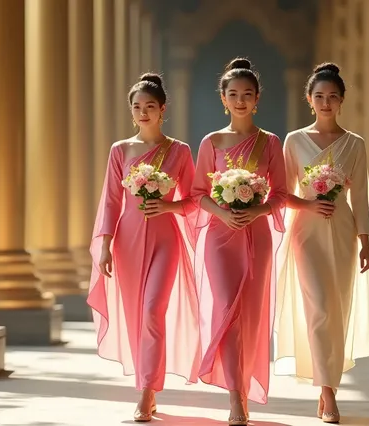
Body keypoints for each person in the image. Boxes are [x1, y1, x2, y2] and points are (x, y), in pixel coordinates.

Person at [274, 63, 369, 423]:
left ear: (341, 101)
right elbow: (281, 194)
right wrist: (309, 203)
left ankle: (329, 388)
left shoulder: (355, 144)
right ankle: (328, 393)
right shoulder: (294, 141)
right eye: (319, 97)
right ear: (310, 100)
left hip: (341, 233)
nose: (326, 102)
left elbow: (362, 199)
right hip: (305, 233)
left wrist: (365, 242)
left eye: (332, 97)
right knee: (319, 309)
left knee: (336, 312)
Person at [87, 73, 200, 422]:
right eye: (137, 107)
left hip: (166, 238)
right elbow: (109, 201)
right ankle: (146, 387)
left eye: (150, 106)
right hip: (128, 241)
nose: (143, 113)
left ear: (163, 109)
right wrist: (104, 245)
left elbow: (195, 199)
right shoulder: (120, 150)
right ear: (131, 111)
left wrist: (169, 206)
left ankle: (148, 391)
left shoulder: (179, 150)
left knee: (153, 311)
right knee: (138, 315)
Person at [190, 57, 287, 426]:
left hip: (256, 236)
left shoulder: (270, 143)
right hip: (219, 237)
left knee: (249, 317)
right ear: (223, 99)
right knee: (227, 314)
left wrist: (258, 212)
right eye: (234, 94)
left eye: (247, 94)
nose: (241, 100)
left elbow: (279, 194)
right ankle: (235, 399)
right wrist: (224, 213)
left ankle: (243, 388)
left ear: (257, 98)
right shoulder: (212, 141)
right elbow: (199, 193)